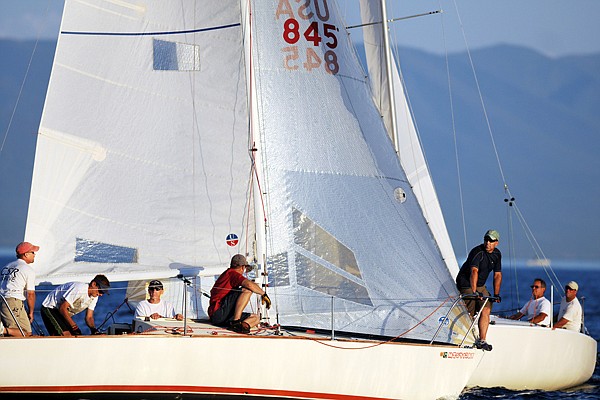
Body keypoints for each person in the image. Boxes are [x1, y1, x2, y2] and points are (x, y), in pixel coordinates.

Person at [455, 229, 502, 351]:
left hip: (480, 284)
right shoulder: (477, 252)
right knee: (469, 309)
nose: (488, 243)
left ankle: (482, 340)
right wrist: (475, 292)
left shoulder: (497, 255)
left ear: (496, 242)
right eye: (486, 240)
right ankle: (462, 338)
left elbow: (497, 275)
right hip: (466, 283)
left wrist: (496, 294)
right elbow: (474, 272)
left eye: (491, 241)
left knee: (486, 308)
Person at [208, 254, 271, 333]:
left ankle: (241, 327)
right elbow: (249, 285)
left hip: (221, 316)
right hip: (218, 312)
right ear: (243, 267)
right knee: (247, 289)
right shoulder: (232, 274)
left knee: (256, 318)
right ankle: (236, 322)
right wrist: (263, 294)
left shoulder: (228, 274)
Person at [40, 274, 110, 336]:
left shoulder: (94, 296)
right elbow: (62, 308)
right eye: (100, 291)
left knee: (76, 335)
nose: (100, 294)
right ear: (94, 284)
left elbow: (89, 317)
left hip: (62, 313)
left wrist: (93, 329)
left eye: (103, 293)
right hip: (50, 308)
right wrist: (74, 326)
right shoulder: (79, 288)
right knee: (66, 335)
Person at [0, 242, 39, 336]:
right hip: (13, 302)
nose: (35, 254)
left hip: (3, 300)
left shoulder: (7, 266)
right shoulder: (27, 269)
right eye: (33, 252)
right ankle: (1, 330)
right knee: (23, 334)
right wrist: (31, 312)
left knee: (27, 333)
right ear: (26, 254)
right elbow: (30, 294)